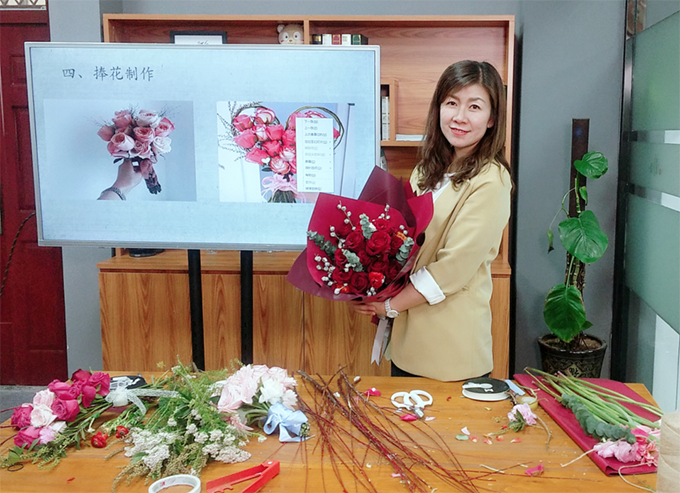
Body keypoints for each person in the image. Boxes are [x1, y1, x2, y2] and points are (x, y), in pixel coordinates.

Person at [350, 60, 512, 381]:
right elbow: (403, 244)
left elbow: (452, 269)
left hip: (450, 350)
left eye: (474, 107)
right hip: (408, 342)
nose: (460, 116)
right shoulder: (427, 170)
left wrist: (390, 306)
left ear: (492, 118)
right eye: (451, 103)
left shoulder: (491, 181)